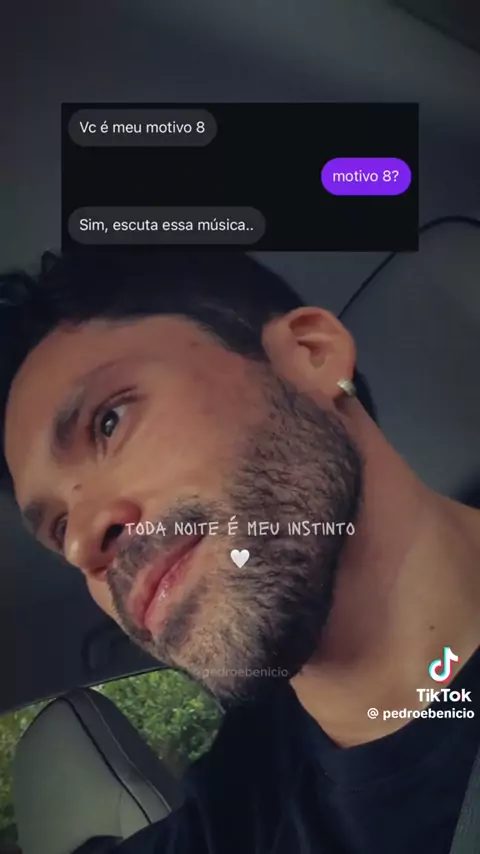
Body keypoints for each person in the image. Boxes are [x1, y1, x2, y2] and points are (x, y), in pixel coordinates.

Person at [0, 249, 479, 854]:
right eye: (59, 527)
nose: (79, 545)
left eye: (109, 422)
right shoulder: (233, 814)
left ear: (312, 354)